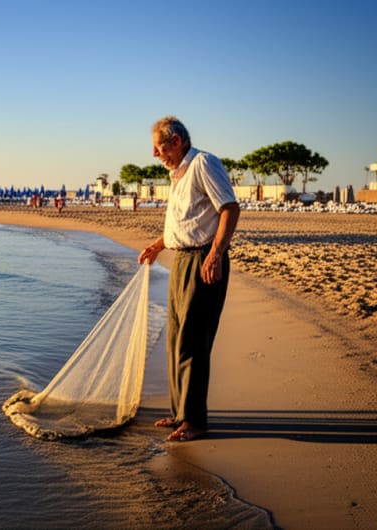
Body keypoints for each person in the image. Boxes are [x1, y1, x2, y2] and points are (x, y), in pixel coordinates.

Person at [138, 116, 240, 442]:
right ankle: (180, 412)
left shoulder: (203, 164)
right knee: (175, 343)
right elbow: (184, 223)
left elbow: (229, 208)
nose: (155, 154)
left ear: (177, 140)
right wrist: (157, 245)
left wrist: (215, 254)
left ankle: (195, 421)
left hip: (202, 262)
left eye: (159, 147)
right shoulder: (177, 175)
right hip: (180, 261)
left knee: (194, 343)